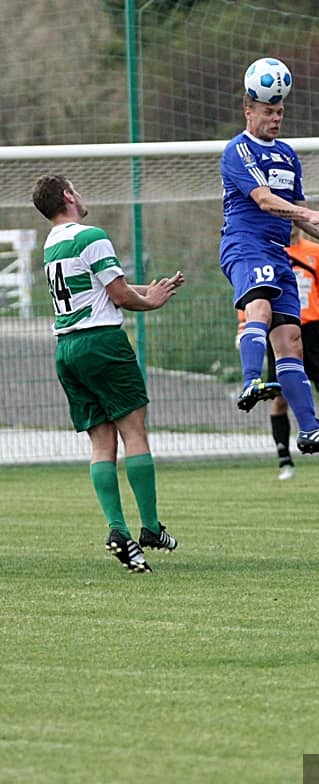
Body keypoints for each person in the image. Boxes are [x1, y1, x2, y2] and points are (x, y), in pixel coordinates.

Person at [32, 174, 184, 574]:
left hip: (67, 349)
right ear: (68, 195)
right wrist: (150, 302)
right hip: (102, 344)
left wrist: (148, 290)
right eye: (76, 189)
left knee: (102, 444)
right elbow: (118, 296)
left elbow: (99, 289)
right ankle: (150, 528)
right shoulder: (91, 235)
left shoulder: (52, 244)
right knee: (134, 433)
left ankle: (118, 530)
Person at [220, 88, 319, 461]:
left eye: (280, 112)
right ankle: (250, 381)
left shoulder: (288, 155)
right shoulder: (238, 150)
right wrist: (309, 214)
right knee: (259, 307)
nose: (275, 118)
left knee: (292, 341)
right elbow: (264, 200)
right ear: (248, 111)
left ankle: (309, 429)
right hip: (246, 245)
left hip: (279, 253)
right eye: (268, 111)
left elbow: (301, 216)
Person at [237, 227, 319, 480]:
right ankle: (285, 461)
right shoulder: (266, 248)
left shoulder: (314, 251)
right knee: (278, 396)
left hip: (312, 328)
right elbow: (253, 290)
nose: (289, 222)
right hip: (278, 325)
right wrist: (243, 325)